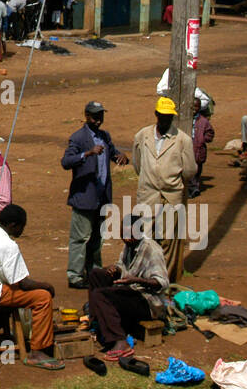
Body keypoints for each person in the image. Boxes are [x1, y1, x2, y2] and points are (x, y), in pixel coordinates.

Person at [0, 205, 63, 370]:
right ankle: (38, 352)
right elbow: (23, 283)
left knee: (11, 285)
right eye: (22, 226)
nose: (23, 230)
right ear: (13, 225)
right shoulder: (8, 245)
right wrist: (47, 286)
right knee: (43, 297)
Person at [61, 101, 129, 289]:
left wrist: (121, 157)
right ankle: (75, 276)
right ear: (87, 117)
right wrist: (88, 153)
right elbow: (66, 162)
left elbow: (113, 153)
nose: (98, 120)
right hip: (84, 197)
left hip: (101, 197)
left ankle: (94, 272)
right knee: (80, 238)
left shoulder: (105, 136)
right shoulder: (78, 138)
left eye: (101, 116)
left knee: (97, 238)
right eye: (95, 116)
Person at [131, 97, 196, 283]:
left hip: (171, 196)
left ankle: (162, 281)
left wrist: (172, 183)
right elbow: (138, 164)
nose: (165, 120)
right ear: (156, 115)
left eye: (169, 117)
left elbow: (190, 170)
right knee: (146, 238)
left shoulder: (182, 140)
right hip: (147, 195)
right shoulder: (142, 136)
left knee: (168, 240)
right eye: (163, 116)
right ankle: (145, 276)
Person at [86, 220, 170, 361]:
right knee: (96, 274)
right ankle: (97, 323)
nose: (126, 237)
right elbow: (122, 267)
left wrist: (135, 280)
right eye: (123, 234)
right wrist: (115, 269)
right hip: (130, 289)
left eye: (131, 234)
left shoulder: (152, 249)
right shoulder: (129, 245)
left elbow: (161, 283)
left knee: (101, 295)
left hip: (147, 301)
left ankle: (120, 341)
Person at [190, 97, 215, 199]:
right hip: (188, 148)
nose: (194, 109)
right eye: (193, 106)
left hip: (198, 149)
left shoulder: (203, 121)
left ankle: (195, 188)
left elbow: (210, 132)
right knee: (188, 169)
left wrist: (203, 139)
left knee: (197, 170)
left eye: (197, 107)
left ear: (199, 108)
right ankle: (191, 188)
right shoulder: (184, 119)